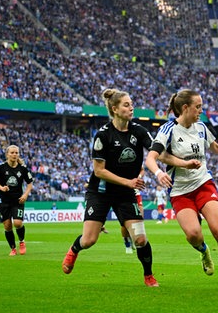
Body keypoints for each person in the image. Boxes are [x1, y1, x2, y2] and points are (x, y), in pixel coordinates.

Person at [145, 89, 218, 291]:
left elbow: (216, 147)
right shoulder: (168, 129)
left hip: (203, 184)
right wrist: (159, 173)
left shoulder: (201, 127)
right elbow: (151, 157)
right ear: (185, 108)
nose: (201, 111)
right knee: (193, 235)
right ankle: (204, 250)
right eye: (198, 107)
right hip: (180, 191)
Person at [61, 88, 169, 287]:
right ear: (115, 109)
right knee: (89, 240)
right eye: (126, 105)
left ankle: (148, 275)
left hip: (125, 194)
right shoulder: (103, 135)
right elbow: (99, 171)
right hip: (100, 192)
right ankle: (74, 250)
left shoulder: (139, 131)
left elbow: (157, 153)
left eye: (131, 104)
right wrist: (128, 181)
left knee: (140, 239)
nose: (131, 107)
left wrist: (181, 161)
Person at [0, 145, 33, 256]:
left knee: (18, 223)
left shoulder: (23, 169)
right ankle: (13, 248)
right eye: (12, 153)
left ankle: (22, 241)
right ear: (7, 154)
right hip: (3, 201)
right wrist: (2, 188)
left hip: (18, 200)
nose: (15, 155)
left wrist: (25, 195)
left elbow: (30, 184)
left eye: (16, 153)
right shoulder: (0, 168)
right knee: (7, 226)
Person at [123, 167, 145, 254]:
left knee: (140, 217)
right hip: (124, 192)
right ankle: (127, 243)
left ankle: (134, 239)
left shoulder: (134, 158)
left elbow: (142, 169)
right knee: (124, 222)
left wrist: (139, 176)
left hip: (136, 193)